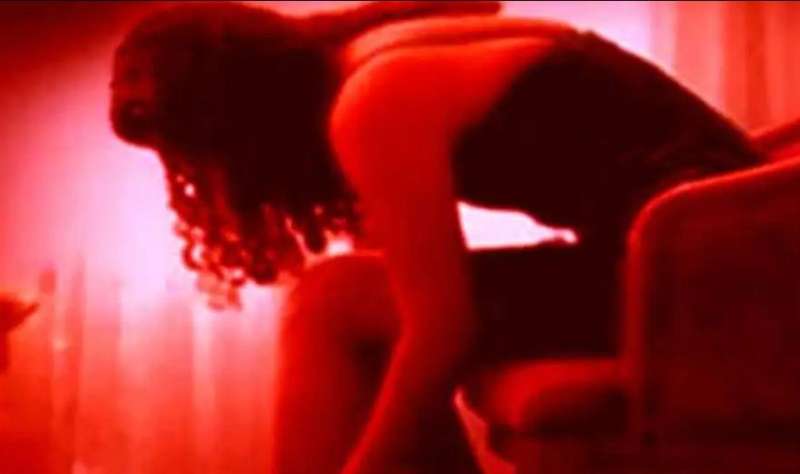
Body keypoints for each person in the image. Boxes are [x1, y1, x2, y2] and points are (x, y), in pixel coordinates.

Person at [109, 2, 761, 473]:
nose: (213, 182)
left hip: (711, 269)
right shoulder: (378, 59)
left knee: (330, 303)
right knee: (342, 295)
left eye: (204, 158)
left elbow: (444, 329)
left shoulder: (375, 99)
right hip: (697, 249)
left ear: (243, 126)